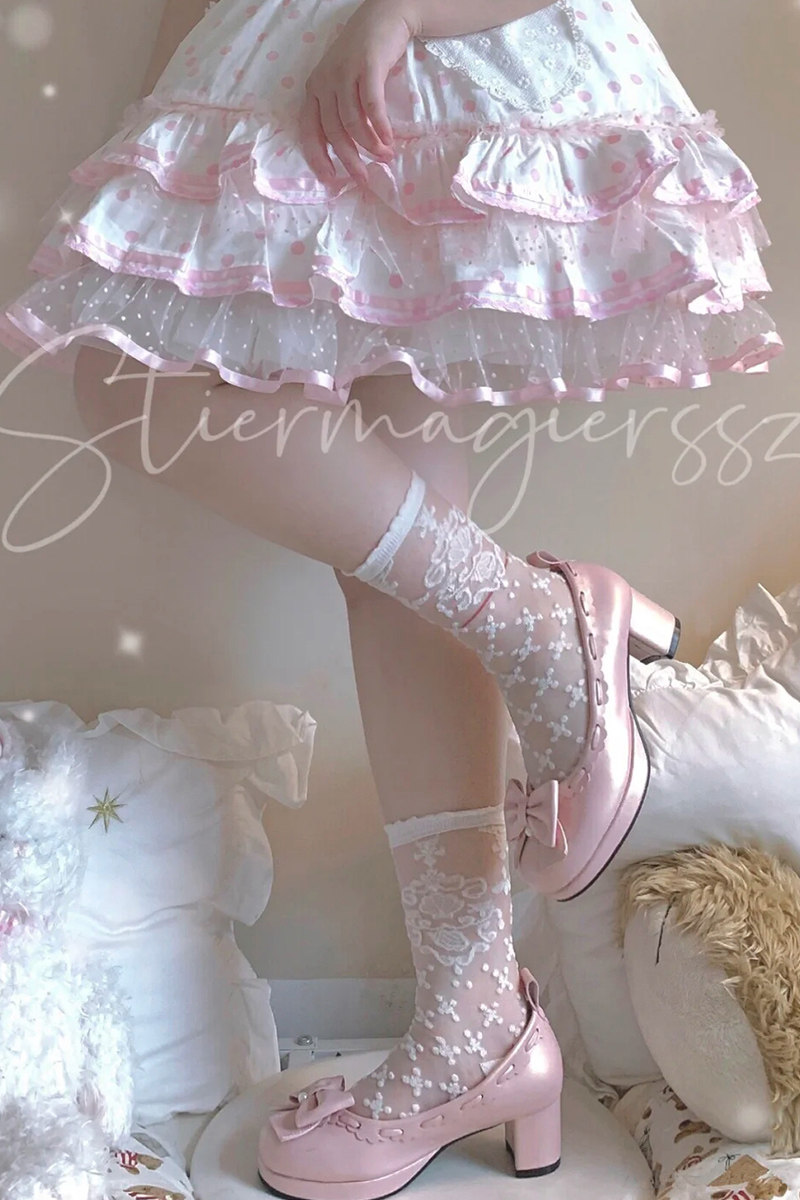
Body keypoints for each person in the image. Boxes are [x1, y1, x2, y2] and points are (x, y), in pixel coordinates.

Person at [0, 0, 783, 1192]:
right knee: (393, 543)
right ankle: (472, 1011)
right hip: (279, 55)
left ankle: (540, 634)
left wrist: (402, 13)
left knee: (134, 386)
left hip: (423, 44)